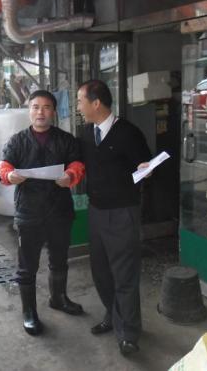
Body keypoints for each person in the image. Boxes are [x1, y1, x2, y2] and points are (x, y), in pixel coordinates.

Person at [0, 90, 86, 336]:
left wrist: (70, 175)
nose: (40, 112)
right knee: (27, 266)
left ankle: (59, 298)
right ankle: (29, 312)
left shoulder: (66, 140)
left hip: (59, 211)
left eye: (46, 107)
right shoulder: (17, 141)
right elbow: (3, 165)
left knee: (59, 259)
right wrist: (9, 175)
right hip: (29, 212)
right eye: (35, 107)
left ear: (54, 112)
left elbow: (77, 164)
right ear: (29, 111)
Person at [76, 79, 152, 357]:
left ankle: (129, 334)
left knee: (125, 275)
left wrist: (146, 169)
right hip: (96, 212)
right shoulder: (85, 133)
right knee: (101, 272)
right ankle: (113, 315)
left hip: (123, 213)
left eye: (80, 101)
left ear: (96, 103)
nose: (78, 107)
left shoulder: (128, 133)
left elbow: (145, 166)